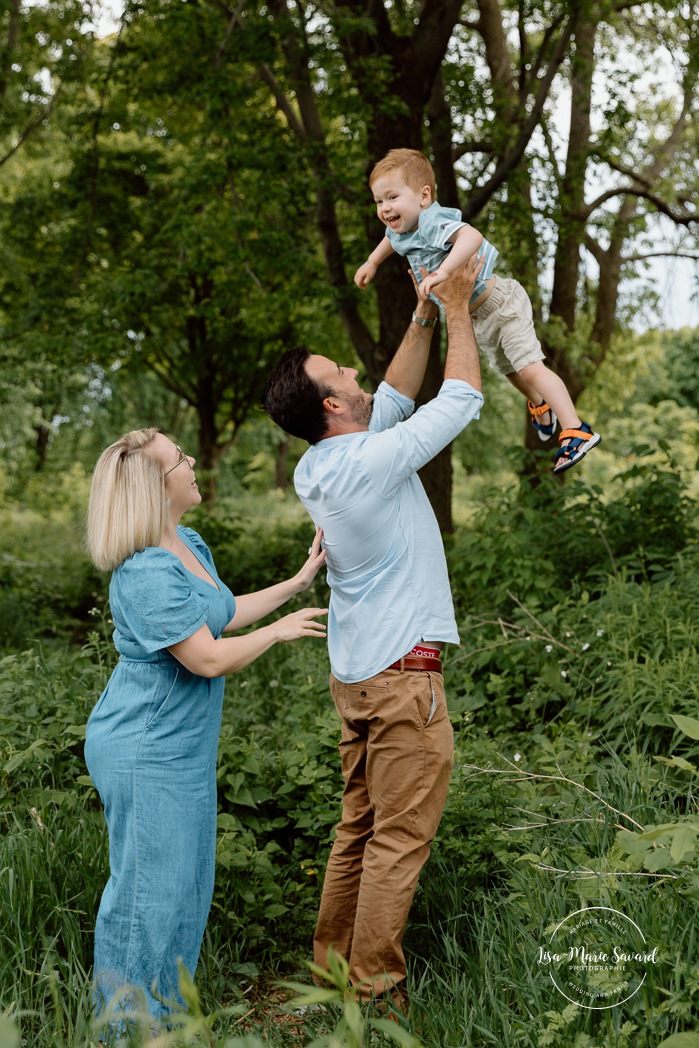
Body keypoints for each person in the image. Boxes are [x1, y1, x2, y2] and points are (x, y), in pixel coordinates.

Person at [262, 257, 483, 1007]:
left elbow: (390, 396)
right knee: (396, 838)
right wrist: (455, 306)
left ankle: (329, 971)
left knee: (357, 828)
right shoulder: (367, 462)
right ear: (330, 406)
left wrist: (420, 314)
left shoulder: (320, 465)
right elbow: (457, 399)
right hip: (399, 678)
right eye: (340, 373)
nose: (355, 371)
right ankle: (372, 992)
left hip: (357, 674)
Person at [84, 428, 327, 1022]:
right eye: (180, 461)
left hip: (183, 745)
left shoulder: (187, 543)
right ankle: (123, 1029)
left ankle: (163, 1016)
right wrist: (280, 630)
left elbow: (220, 613)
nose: (193, 463)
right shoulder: (142, 573)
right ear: (155, 488)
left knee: (186, 889)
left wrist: (297, 582)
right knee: (147, 896)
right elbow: (207, 656)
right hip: (146, 746)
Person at [354, 147, 602, 474]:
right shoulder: (402, 231)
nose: (385, 208)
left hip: (500, 303)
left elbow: (471, 236)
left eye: (392, 197)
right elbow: (389, 241)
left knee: (529, 368)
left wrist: (445, 271)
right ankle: (540, 404)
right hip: (477, 318)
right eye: (378, 201)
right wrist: (372, 261)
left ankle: (575, 429)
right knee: (509, 370)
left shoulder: (431, 220)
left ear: (424, 196)